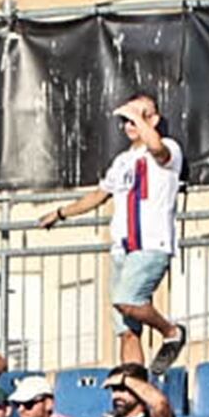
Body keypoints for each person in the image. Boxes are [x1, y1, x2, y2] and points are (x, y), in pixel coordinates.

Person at [51, 94, 187, 370]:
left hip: (150, 243)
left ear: (154, 119)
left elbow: (159, 151)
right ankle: (133, 384)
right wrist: (61, 213)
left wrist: (140, 117)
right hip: (122, 247)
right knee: (125, 329)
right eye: (125, 120)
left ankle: (171, 331)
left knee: (127, 300)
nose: (128, 125)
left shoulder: (168, 148)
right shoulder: (123, 160)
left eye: (136, 117)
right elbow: (99, 195)